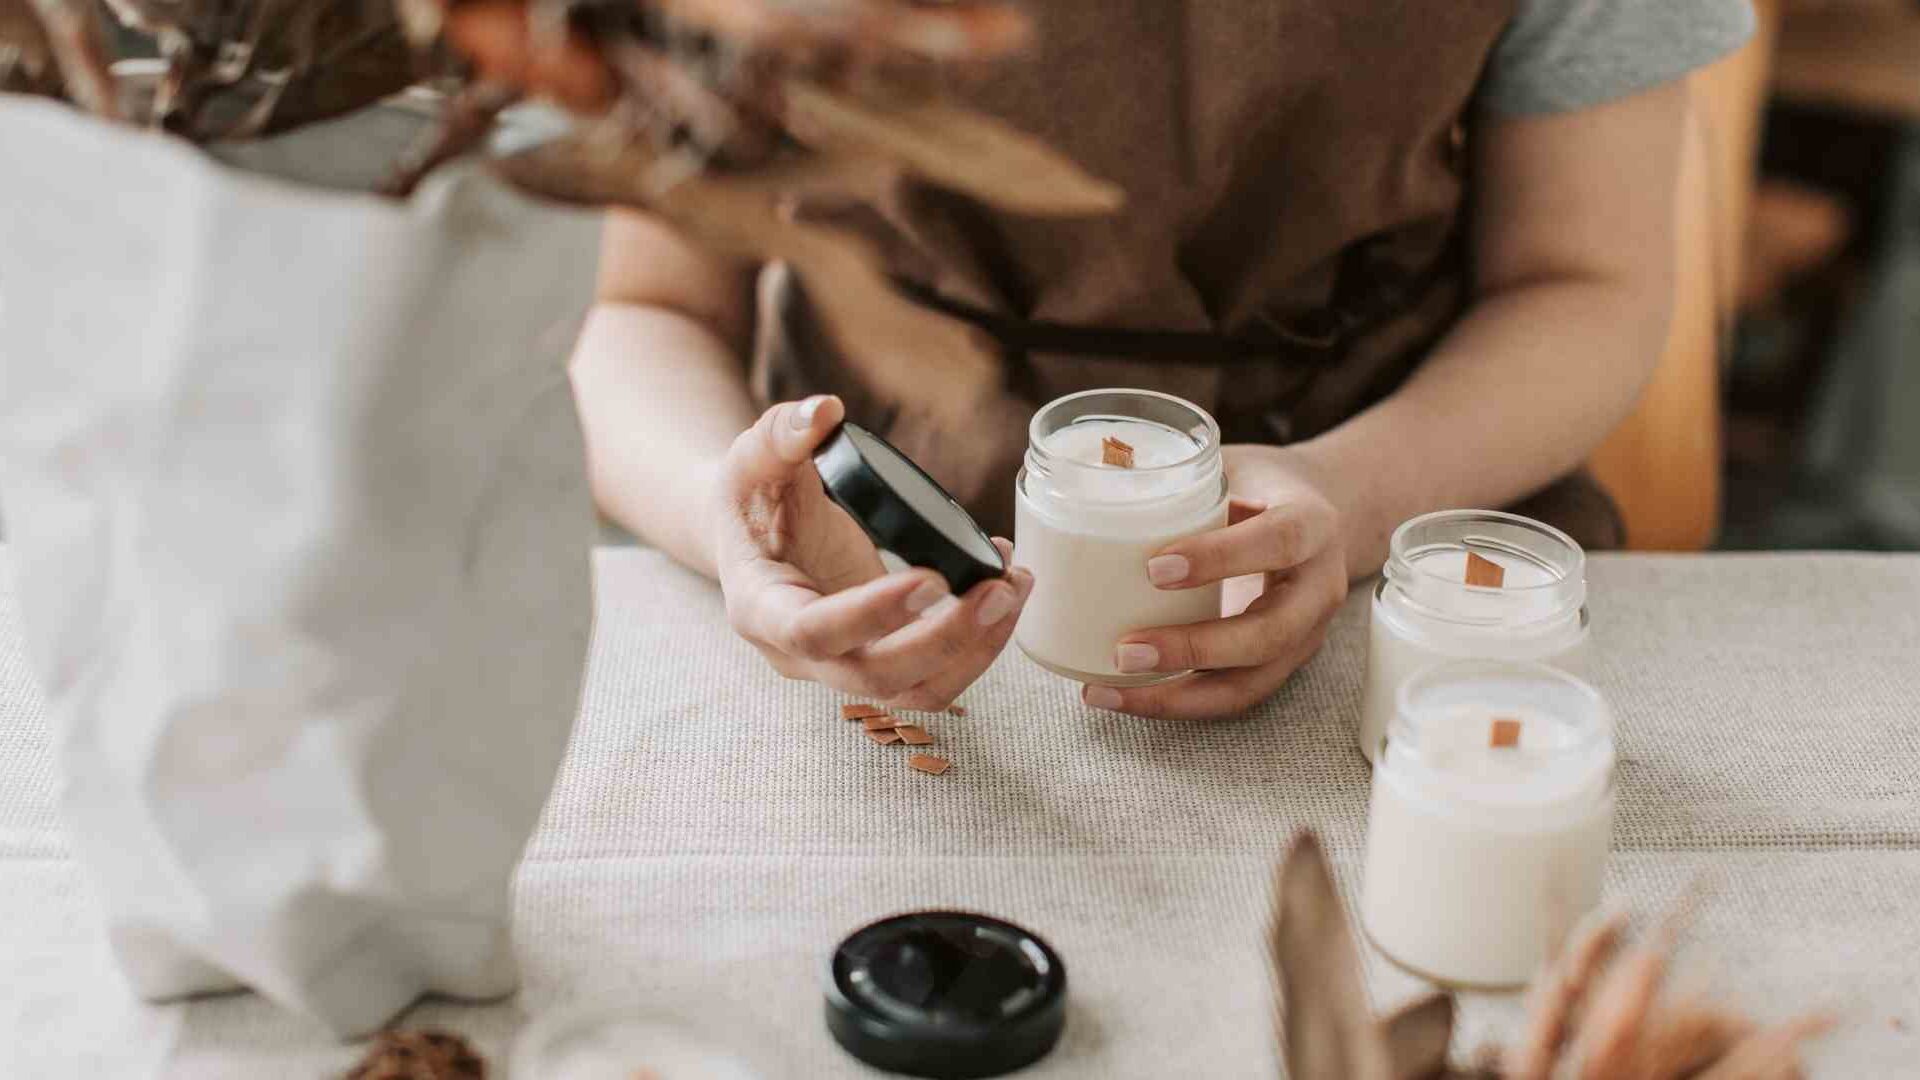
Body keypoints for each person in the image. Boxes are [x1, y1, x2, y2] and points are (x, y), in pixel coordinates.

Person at [567, 1, 1756, 720]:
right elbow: (643, 307)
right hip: (851, 579)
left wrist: (1351, 497)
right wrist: (734, 520)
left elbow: (1582, 281)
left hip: (1376, 563)